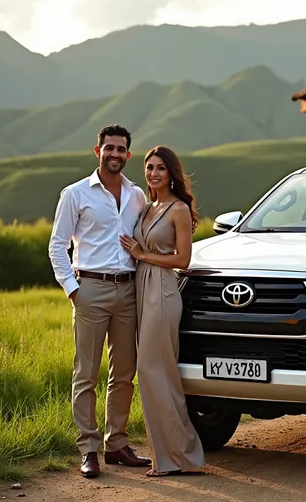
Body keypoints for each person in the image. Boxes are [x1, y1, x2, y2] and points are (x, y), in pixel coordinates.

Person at [48, 124, 152, 479]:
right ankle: (88, 448)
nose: (114, 154)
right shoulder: (75, 194)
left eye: (121, 149)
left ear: (128, 155)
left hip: (129, 290)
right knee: (86, 373)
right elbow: (57, 245)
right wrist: (73, 289)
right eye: (109, 148)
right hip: (90, 288)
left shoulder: (137, 195)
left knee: (124, 373)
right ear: (98, 152)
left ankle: (117, 444)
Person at [119, 145, 206, 477]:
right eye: (149, 167)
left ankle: (177, 458)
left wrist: (143, 255)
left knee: (155, 372)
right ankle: (173, 456)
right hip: (142, 288)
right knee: (155, 374)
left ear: (172, 173)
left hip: (162, 290)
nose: (153, 173)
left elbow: (183, 260)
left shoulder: (178, 209)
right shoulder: (149, 206)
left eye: (160, 168)